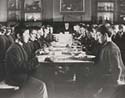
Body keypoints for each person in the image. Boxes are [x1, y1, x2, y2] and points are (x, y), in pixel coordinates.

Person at [4, 25, 48, 98]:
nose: (28, 36)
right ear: (18, 35)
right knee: (41, 85)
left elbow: (25, 61)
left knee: (43, 77)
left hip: (21, 75)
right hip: (15, 77)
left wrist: (36, 58)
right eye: (26, 34)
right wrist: (37, 60)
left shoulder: (20, 46)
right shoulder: (13, 49)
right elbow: (20, 67)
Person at [91, 24, 125, 98]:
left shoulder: (112, 49)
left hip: (113, 83)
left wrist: (103, 90)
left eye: (99, 35)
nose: (97, 38)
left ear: (105, 35)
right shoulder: (105, 46)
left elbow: (117, 70)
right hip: (105, 78)